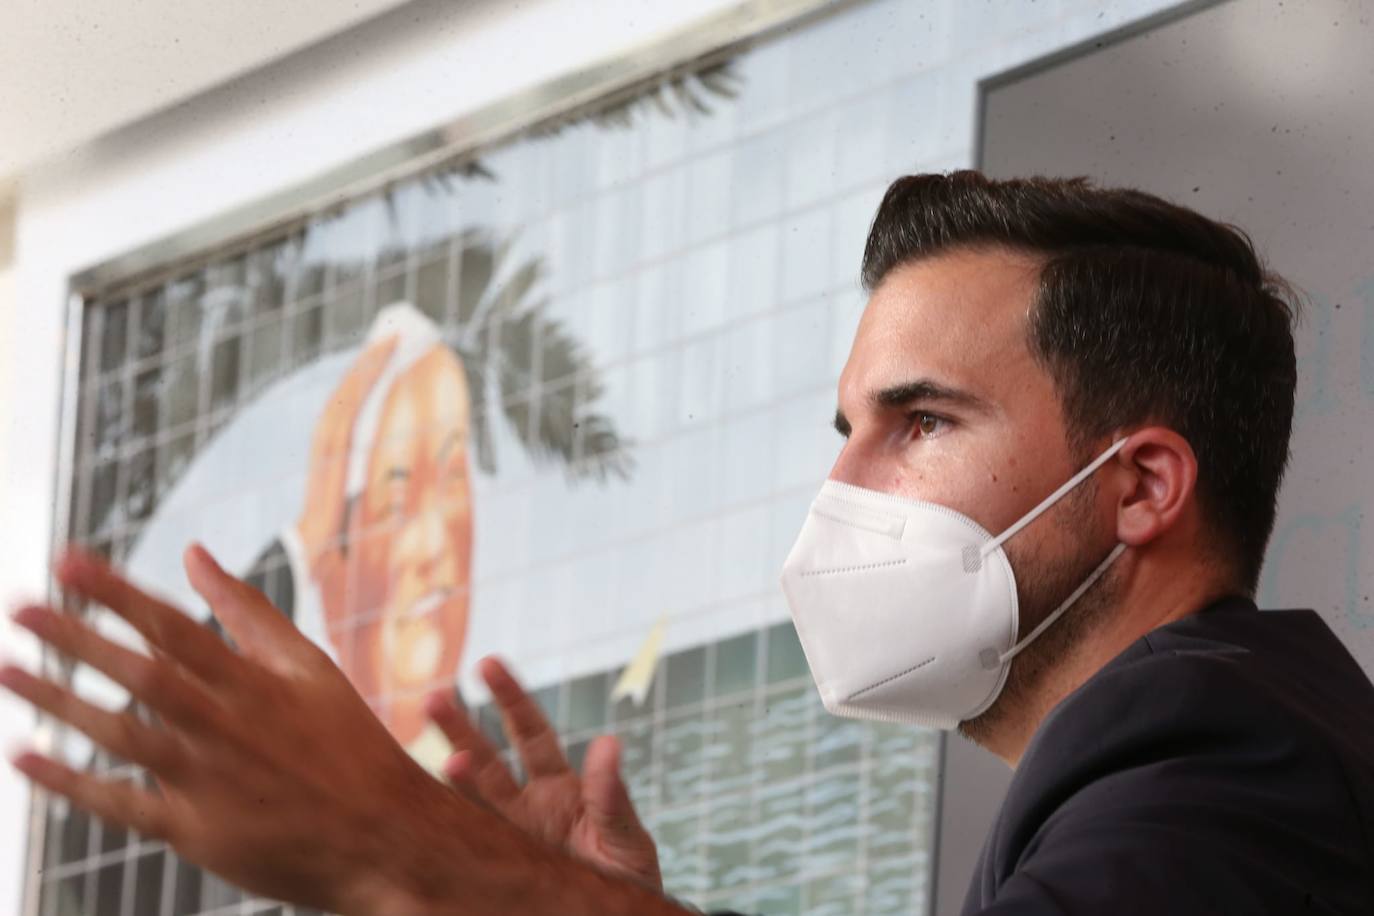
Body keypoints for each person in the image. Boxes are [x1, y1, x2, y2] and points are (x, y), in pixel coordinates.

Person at [5, 171, 1373, 914]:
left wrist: (418, 855)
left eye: (921, 423)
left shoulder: (1222, 754)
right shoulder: (1175, 778)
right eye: (842, 429)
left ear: (1138, 488)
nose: (843, 484)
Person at [244, 301, 476, 755]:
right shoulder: (286, 772)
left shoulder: (520, 786)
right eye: (395, 502)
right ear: (332, 572)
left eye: (452, 481)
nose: (434, 545)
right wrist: (304, 541)